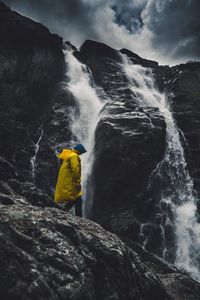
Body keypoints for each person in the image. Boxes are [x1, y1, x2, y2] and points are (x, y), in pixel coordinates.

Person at [54, 144, 87, 217]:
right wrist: (78, 182)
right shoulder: (74, 156)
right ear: (79, 151)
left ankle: (63, 210)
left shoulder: (69, 155)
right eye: (81, 152)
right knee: (77, 198)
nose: (81, 154)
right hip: (71, 181)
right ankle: (79, 217)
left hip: (67, 180)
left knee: (75, 198)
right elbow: (75, 170)